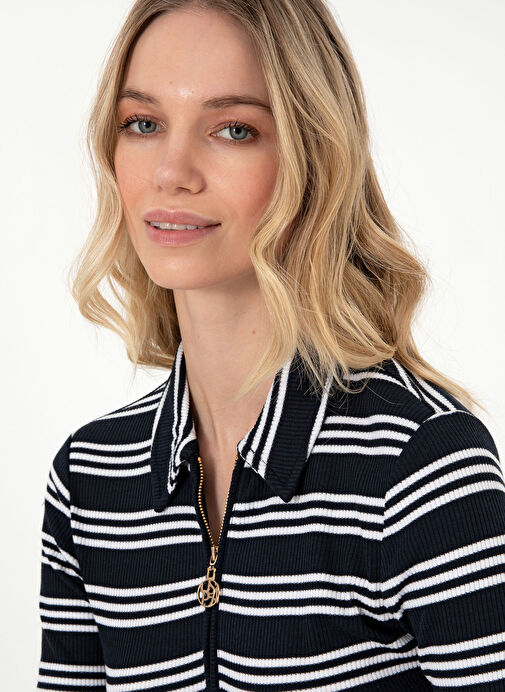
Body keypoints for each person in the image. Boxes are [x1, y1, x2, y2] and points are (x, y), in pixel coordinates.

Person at [37, 1, 505, 690]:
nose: (171, 172)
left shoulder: (420, 465)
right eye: (143, 124)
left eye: (233, 129)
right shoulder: (90, 479)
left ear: (314, 157)